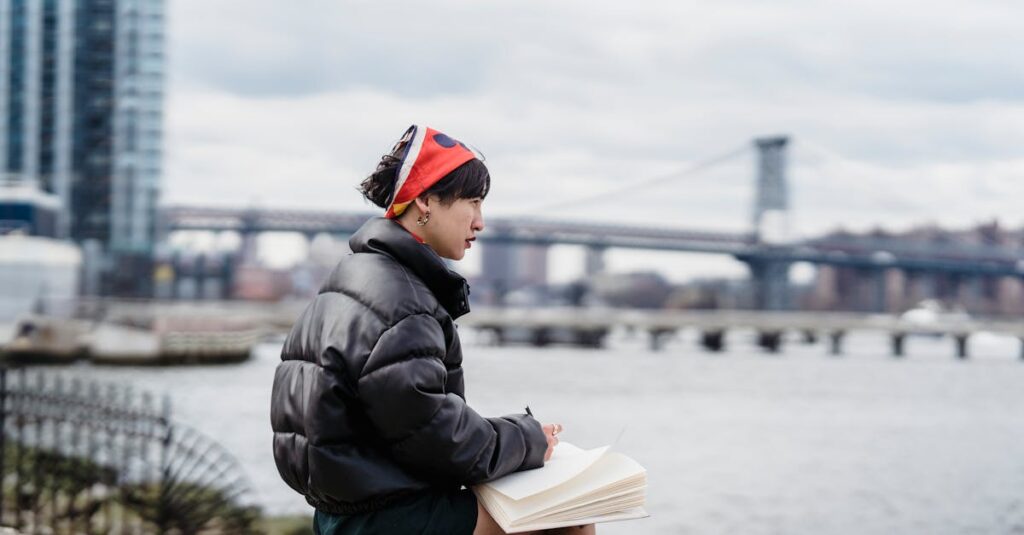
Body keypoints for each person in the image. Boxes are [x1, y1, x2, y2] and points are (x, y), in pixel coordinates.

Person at [271, 125, 595, 534]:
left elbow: (412, 419)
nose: (480, 222)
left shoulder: (354, 276)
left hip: (342, 508)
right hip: (386, 518)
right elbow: (436, 437)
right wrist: (528, 440)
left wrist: (512, 438)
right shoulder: (403, 301)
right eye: (473, 203)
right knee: (571, 518)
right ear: (425, 200)